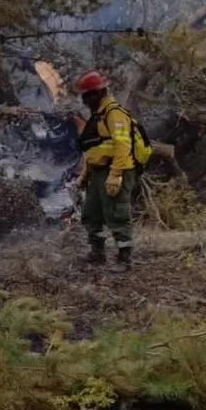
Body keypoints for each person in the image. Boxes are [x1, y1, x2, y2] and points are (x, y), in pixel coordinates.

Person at [72, 70, 150, 270]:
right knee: (92, 212)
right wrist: (84, 175)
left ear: (98, 93)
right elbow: (96, 149)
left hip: (118, 170)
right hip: (98, 172)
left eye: (87, 96)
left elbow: (122, 147)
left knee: (117, 213)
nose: (85, 101)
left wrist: (115, 176)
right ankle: (97, 252)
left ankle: (124, 258)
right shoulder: (98, 116)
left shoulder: (115, 114)